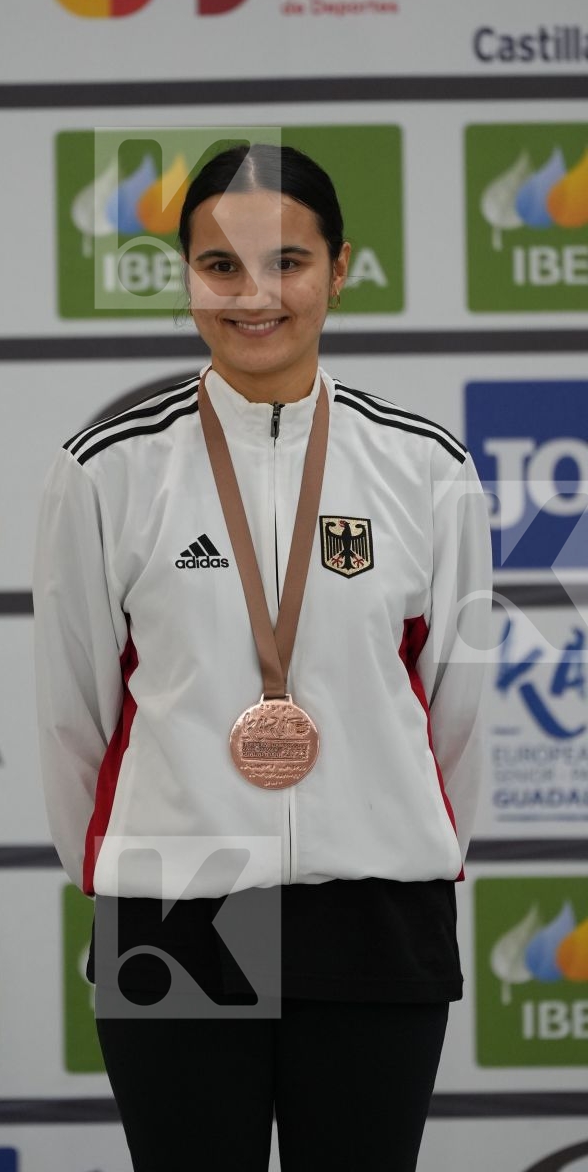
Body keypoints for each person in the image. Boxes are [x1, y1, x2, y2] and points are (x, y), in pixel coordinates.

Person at [33, 143, 493, 1172]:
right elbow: (71, 716)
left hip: (374, 909)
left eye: (286, 263)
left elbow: (457, 709)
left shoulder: (425, 468)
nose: (253, 297)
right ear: (184, 275)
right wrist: (125, 870)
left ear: (340, 269)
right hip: (173, 903)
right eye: (220, 267)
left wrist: (398, 835)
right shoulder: (106, 467)